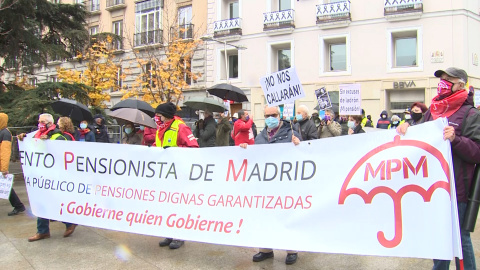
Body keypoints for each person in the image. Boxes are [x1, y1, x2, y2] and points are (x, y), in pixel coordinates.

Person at [397, 67, 480, 270]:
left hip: (458, 186)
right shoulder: (434, 111)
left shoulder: (470, 113)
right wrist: (407, 129)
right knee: (438, 235)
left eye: (448, 79)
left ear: (461, 84)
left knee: (460, 237)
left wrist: (455, 139)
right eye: (441, 79)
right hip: (434, 186)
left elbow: (477, 151)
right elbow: (420, 139)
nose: (442, 82)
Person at [240, 105, 301, 265]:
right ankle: (266, 250)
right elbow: (255, 158)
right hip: (266, 186)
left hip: (286, 184)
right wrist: (246, 149)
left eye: (273, 115)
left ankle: (291, 250)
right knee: (265, 215)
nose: (270, 118)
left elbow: (304, 152)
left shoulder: (291, 133)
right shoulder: (260, 137)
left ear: (279, 115)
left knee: (287, 215)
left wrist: (298, 144)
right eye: (267, 115)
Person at [18, 114, 78, 241]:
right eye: (39, 121)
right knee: (41, 201)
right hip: (40, 174)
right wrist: (23, 138)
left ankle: (68, 222)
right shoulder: (36, 134)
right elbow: (30, 144)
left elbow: (63, 151)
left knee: (53, 201)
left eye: (43, 122)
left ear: (50, 124)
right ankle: (43, 231)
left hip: (54, 175)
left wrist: (49, 143)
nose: (40, 124)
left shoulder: (58, 136)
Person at [153, 102, 198, 249]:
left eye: (158, 115)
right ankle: (169, 233)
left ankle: (180, 236)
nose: (156, 118)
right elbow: (159, 146)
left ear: (165, 115)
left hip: (179, 173)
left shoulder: (180, 126)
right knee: (166, 205)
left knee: (178, 205)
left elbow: (194, 148)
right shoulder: (160, 129)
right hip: (164, 174)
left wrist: (175, 150)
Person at [0, 113, 26, 216]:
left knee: (6, 187)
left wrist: (4, 168)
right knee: (5, 187)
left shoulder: (5, 133)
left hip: (1, 165)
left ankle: (18, 206)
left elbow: (5, 152)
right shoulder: (2, 132)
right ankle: (18, 206)